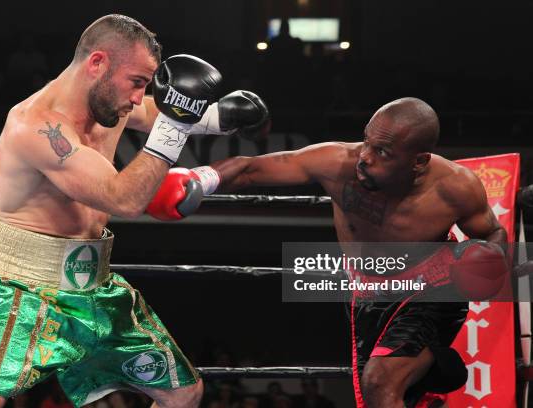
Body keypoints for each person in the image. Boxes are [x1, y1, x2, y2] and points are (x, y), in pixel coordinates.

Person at [0, 14, 269, 408]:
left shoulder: (110, 103)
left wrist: (223, 118)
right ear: (97, 63)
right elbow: (125, 199)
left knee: (185, 394)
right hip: (23, 290)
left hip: (94, 286)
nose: (138, 97)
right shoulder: (35, 127)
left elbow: (160, 112)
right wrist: (176, 123)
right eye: (136, 82)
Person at [149, 97, 509, 407]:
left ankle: (429, 368)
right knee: (384, 395)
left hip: (432, 284)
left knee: (379, 383)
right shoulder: (336, 162)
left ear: (419, 162)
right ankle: (434, 371)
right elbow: (249, 169)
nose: (365, 157)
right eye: (367, 142)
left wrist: (489, 258)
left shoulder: (456, 187)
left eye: (382, 151)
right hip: (367, 291)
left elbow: (492, 231)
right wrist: (197, 180)